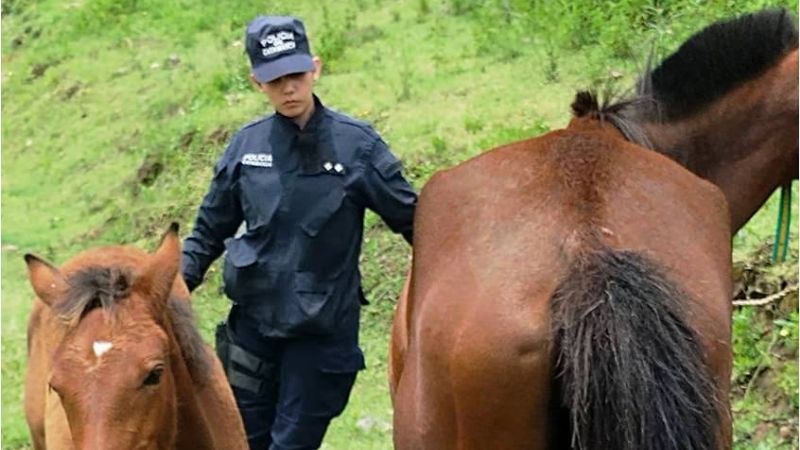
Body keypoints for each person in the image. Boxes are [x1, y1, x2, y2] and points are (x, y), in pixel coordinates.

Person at [181, 15, 417, 450]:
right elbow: (208, 233)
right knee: (242, 442)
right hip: (251, 329)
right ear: (257, 83)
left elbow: (414, 222)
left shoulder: (357, 147)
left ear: (316, 68)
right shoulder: (246, 148)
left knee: (290, 445)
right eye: (275, 80)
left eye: (295, 75)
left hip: (321, 335)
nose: (288, 89)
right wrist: (168, 290)